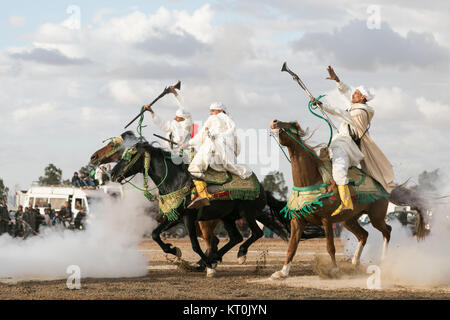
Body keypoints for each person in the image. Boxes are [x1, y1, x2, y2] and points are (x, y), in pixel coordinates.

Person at [311, 66, 395, 216]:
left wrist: (323, 106)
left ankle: (346, 202)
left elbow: (342, 114)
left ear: (362, 98)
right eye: (355, 93)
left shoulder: (360, 112)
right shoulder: (357, 105)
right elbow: (348, 92)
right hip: (341, 141)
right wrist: (337, 80)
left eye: (357, 94)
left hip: (347, 145)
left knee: (338, 167)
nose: (353, 95)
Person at [181, 102, 252, 209]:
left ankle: (203, 195)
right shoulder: (229, 126)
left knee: (193, 168)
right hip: (225, 159)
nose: (211, 113)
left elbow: (201, 135)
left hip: (212, 153)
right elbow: (237, 145)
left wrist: (187, 144)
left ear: (220, 111)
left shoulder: (214, 119)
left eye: (213, 110)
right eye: (211, 111)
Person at [145, 86, 193, 151]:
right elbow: (164, 124)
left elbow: (179, 139)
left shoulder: (187, 125)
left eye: (177, 118)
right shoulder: (177, 122)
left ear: (183, 118)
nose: (175, 118)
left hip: (181, 152)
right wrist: (152, 112)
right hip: (169, 149)